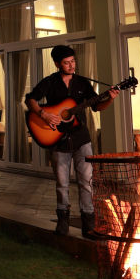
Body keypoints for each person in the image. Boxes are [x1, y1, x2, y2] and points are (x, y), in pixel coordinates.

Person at [25, 45, 118, 237]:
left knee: (87, 181)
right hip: (58, 140)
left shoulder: (83, 83)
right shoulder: (50, 82)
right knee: (62, 183)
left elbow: (97, 106)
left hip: (81, 138)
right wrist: (43, 114)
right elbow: (31, 99)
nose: (71, 65)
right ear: (58, 63)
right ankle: (63, 222)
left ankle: (88, 224)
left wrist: (110, 98)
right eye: (67, 62)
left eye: (73, 61)